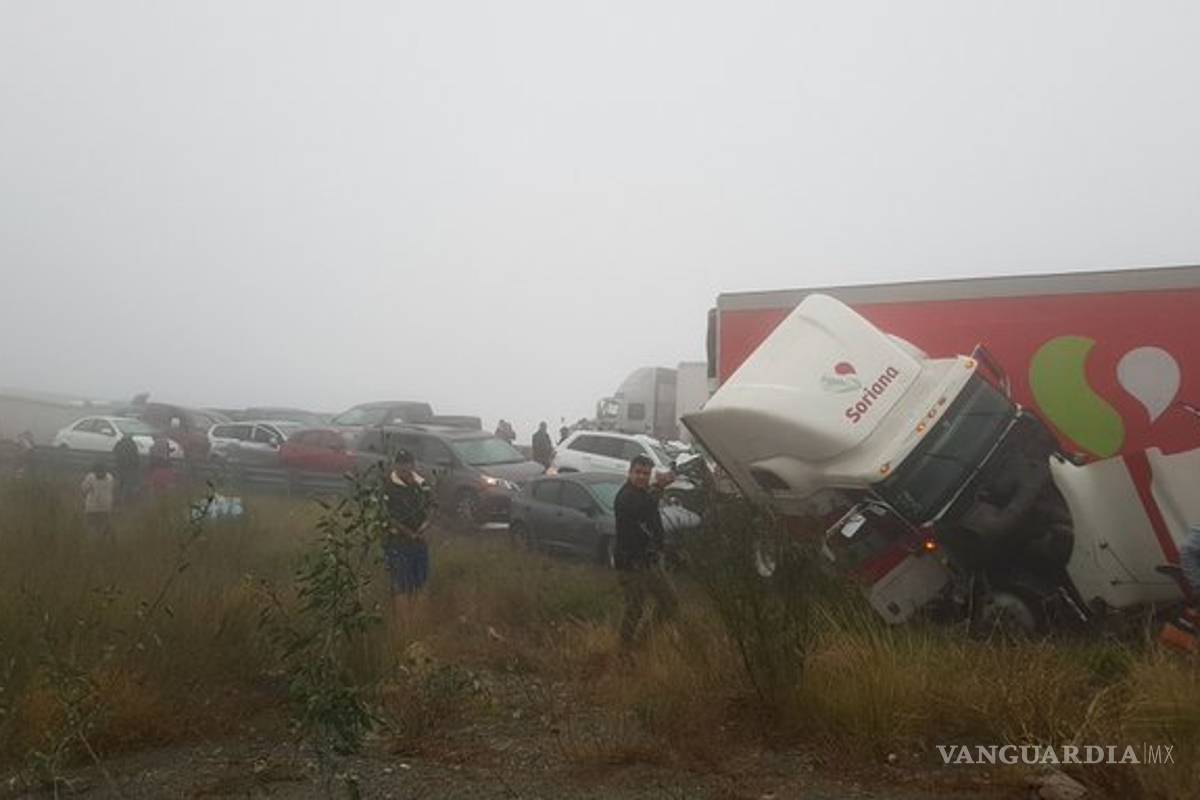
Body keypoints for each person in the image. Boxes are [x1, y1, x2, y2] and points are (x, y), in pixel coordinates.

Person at [614, 455, 678, 649]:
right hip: (631, 562)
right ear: (630, 473)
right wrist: (659, 486)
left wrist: (661, 549)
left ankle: (641, 643)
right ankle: (625, 651)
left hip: (649, 560)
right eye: (638, 473)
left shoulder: (642, 493)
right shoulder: (625, 496)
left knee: (670, 603)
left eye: (646, 473)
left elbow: (650, 510)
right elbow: (641, 509)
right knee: (634, 608)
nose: (642, 477)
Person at [382, 450, 435, 598]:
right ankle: (402, 620)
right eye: (400, 464)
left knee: (421, 584)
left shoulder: (422, 484)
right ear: (395, 465)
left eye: (407, 464)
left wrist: (426, 525)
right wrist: (408, 533)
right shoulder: (388, 485)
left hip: (420, 541)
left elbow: (432, 506)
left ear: (413, 465)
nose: (404, 468)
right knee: (401, 587)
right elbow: (387, 514)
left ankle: (419, 618)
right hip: (397, 542)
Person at [81, 462, 116, 537]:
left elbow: (84, 489)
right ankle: (100, 543)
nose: (100, 473)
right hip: (104, 508)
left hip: (93, 509)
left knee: (94, 529)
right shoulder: (110, 477)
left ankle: (95, 543)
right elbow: (112, 489)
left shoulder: (90, 477)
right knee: (102, 529)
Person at [113, 432, 141, 504]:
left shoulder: (119, 443)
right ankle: (124, 500)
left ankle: (117, 498)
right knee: (127, 483)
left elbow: (114, 451)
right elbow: (136, 456)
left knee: (120, 483)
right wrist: (137, 465)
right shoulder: (132, 444)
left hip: (120, 466)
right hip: (129, 467)